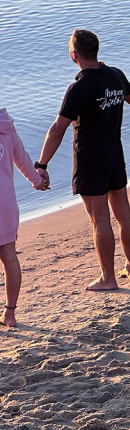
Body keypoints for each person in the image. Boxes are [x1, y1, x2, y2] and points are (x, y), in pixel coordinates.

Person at [36, 29, 130, 291]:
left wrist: (41, 165)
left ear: (73, 55)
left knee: (100, 220)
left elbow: (57, 129)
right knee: (123, 213)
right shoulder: (115, 75)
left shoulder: (79, 87)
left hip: (90, 160)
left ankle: (108, 278)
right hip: (115, 154)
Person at [0, 109, 45, 326]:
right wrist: (36, 181)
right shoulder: (6, 125)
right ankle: (10, 314)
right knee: (9, 257)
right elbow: (23, 159)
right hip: (6, 205)